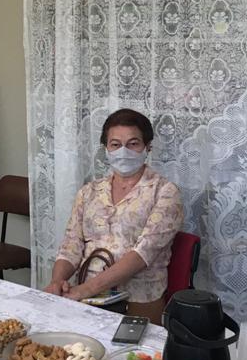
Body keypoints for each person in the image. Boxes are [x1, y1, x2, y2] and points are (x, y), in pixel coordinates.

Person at [45, 108, 183, 325]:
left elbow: (142, 254)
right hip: (83, 297)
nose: (123, 151)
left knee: (124, 358)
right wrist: (57, 281)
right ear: (106, 149)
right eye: (115, 144)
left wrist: (86, 290)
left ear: (148, 147)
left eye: (133, 143)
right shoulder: (89, 191)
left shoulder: (165, 191)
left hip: (136, 301)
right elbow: (71, 245)